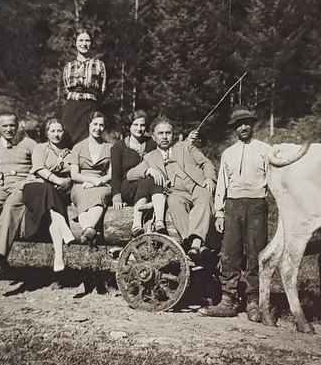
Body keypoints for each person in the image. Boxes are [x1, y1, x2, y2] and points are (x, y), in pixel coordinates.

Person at [199, 106, 271, 321]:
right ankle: (227, 300)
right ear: (234, 129)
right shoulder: (228, 153)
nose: (244, 127)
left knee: (256, 253)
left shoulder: (265, 150)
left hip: (257, 205)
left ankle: (253, 302)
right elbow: (221, 184)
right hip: (233, 205)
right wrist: (219, 213)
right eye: (239, 125)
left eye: (247, 123)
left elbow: (274, 181)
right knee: (230, 253)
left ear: (253, 125)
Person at [127, 115, 216, 258]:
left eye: (168, 133)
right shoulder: (150, 157)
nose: (164, 137)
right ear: (153, 137)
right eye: (160, 133)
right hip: (176, 192)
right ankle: (197, 243)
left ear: (173, 135)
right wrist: (149, 170)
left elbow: (206, 163)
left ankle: (195, 244)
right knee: (174, 202)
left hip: (197, 186)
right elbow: (130, 174)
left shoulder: (185, 147)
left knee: (205, 199)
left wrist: (209, 178)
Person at [0, 112, 37, 274]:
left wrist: (25, 182)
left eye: (12, 125)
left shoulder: (29, 144)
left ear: (18, 125)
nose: (9, 129)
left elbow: (39, 167)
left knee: (11, 207)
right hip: (0, 186)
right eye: (4, 126)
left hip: (22, 186)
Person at [22, 119, 75, 272]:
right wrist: (57, 179)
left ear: (64, 132)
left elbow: (73, 172)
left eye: (59, 131)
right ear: (47, 133)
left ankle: (58, 257)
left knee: (52, 210)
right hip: (35, 187)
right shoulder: (40, 148)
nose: (56, 134)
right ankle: (65, 230)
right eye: (52, 131)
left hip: (56, 191)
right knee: (47, 190)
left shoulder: (69, 153)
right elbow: (38, 168)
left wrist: (67, 181)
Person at [110, 110, 168, 238]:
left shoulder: (151, 143)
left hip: (152, 185)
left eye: (142, 125)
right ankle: (137, 223)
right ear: (129, 126)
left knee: (153, 181)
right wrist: (116, 196)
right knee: (147, 182)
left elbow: (167, 147)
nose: (139, 128)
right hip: (128, 186)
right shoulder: (119, 147)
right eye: (135, 125)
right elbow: (116, 174)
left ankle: (159, 222)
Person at [68, 111, 113, 245]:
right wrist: (89, 180)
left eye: (101, 125)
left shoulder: (109, 147)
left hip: (102, 183)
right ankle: (89, 229)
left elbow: (112, 173)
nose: (97, 128)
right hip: (81, 183)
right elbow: (74, 174)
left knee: (99, 196)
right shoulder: (78, 147)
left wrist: (99, 181)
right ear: (89, 125)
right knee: (82, 196)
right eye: (95, 124)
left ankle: (88, 229)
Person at [59, 29, 106, 148]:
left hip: (90, 106)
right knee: (68, 136)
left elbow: (102, 89)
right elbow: (65, 90)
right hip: (72, 107)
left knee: (88, 138)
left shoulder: (99, 65)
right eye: (81, 40)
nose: (84, 44)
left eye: (87, 40)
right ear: (75, 43)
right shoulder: (68, 66)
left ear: (91, 43)